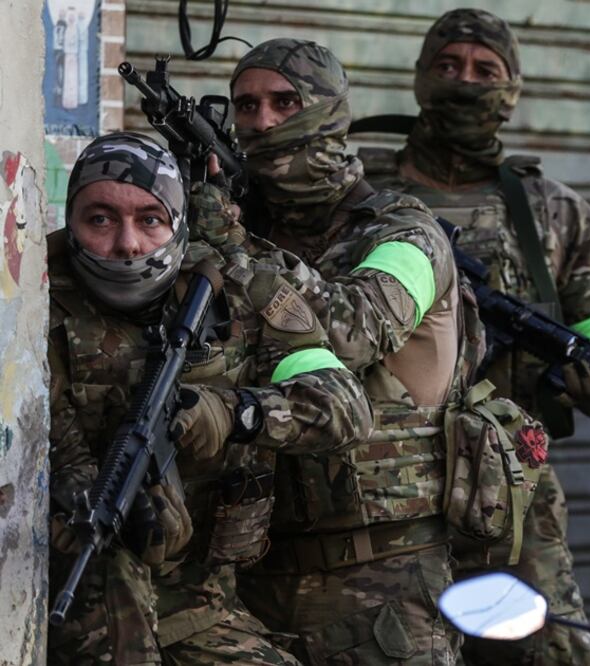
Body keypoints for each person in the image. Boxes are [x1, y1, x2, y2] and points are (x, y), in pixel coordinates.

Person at [351, 10, 590, 665]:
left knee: (553, 654)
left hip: (511, 492)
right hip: (375, 495)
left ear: (511, 91)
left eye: (486, 70)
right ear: (420, 79)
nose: (465, 81)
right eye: (448, 65)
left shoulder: (555, 214)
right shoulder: (359, 192)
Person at [47, 132, 370, 664]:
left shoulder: (244, 291)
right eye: (100, 219)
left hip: (199, 605)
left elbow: (346, 407)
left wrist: (235, 413)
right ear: (72, 220)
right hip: (80, 594)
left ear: (177, 222)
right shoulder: (32, 299)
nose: (127, 244)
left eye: (150, 220)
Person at [208, 37, 470, 665]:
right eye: (246, 106)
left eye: (284, 101)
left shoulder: (406, 232)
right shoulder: (233, 228)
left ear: (330, 109)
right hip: (248, 576)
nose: (263, 121)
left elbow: (350, 332)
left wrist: (235, 249)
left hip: (383, 586)